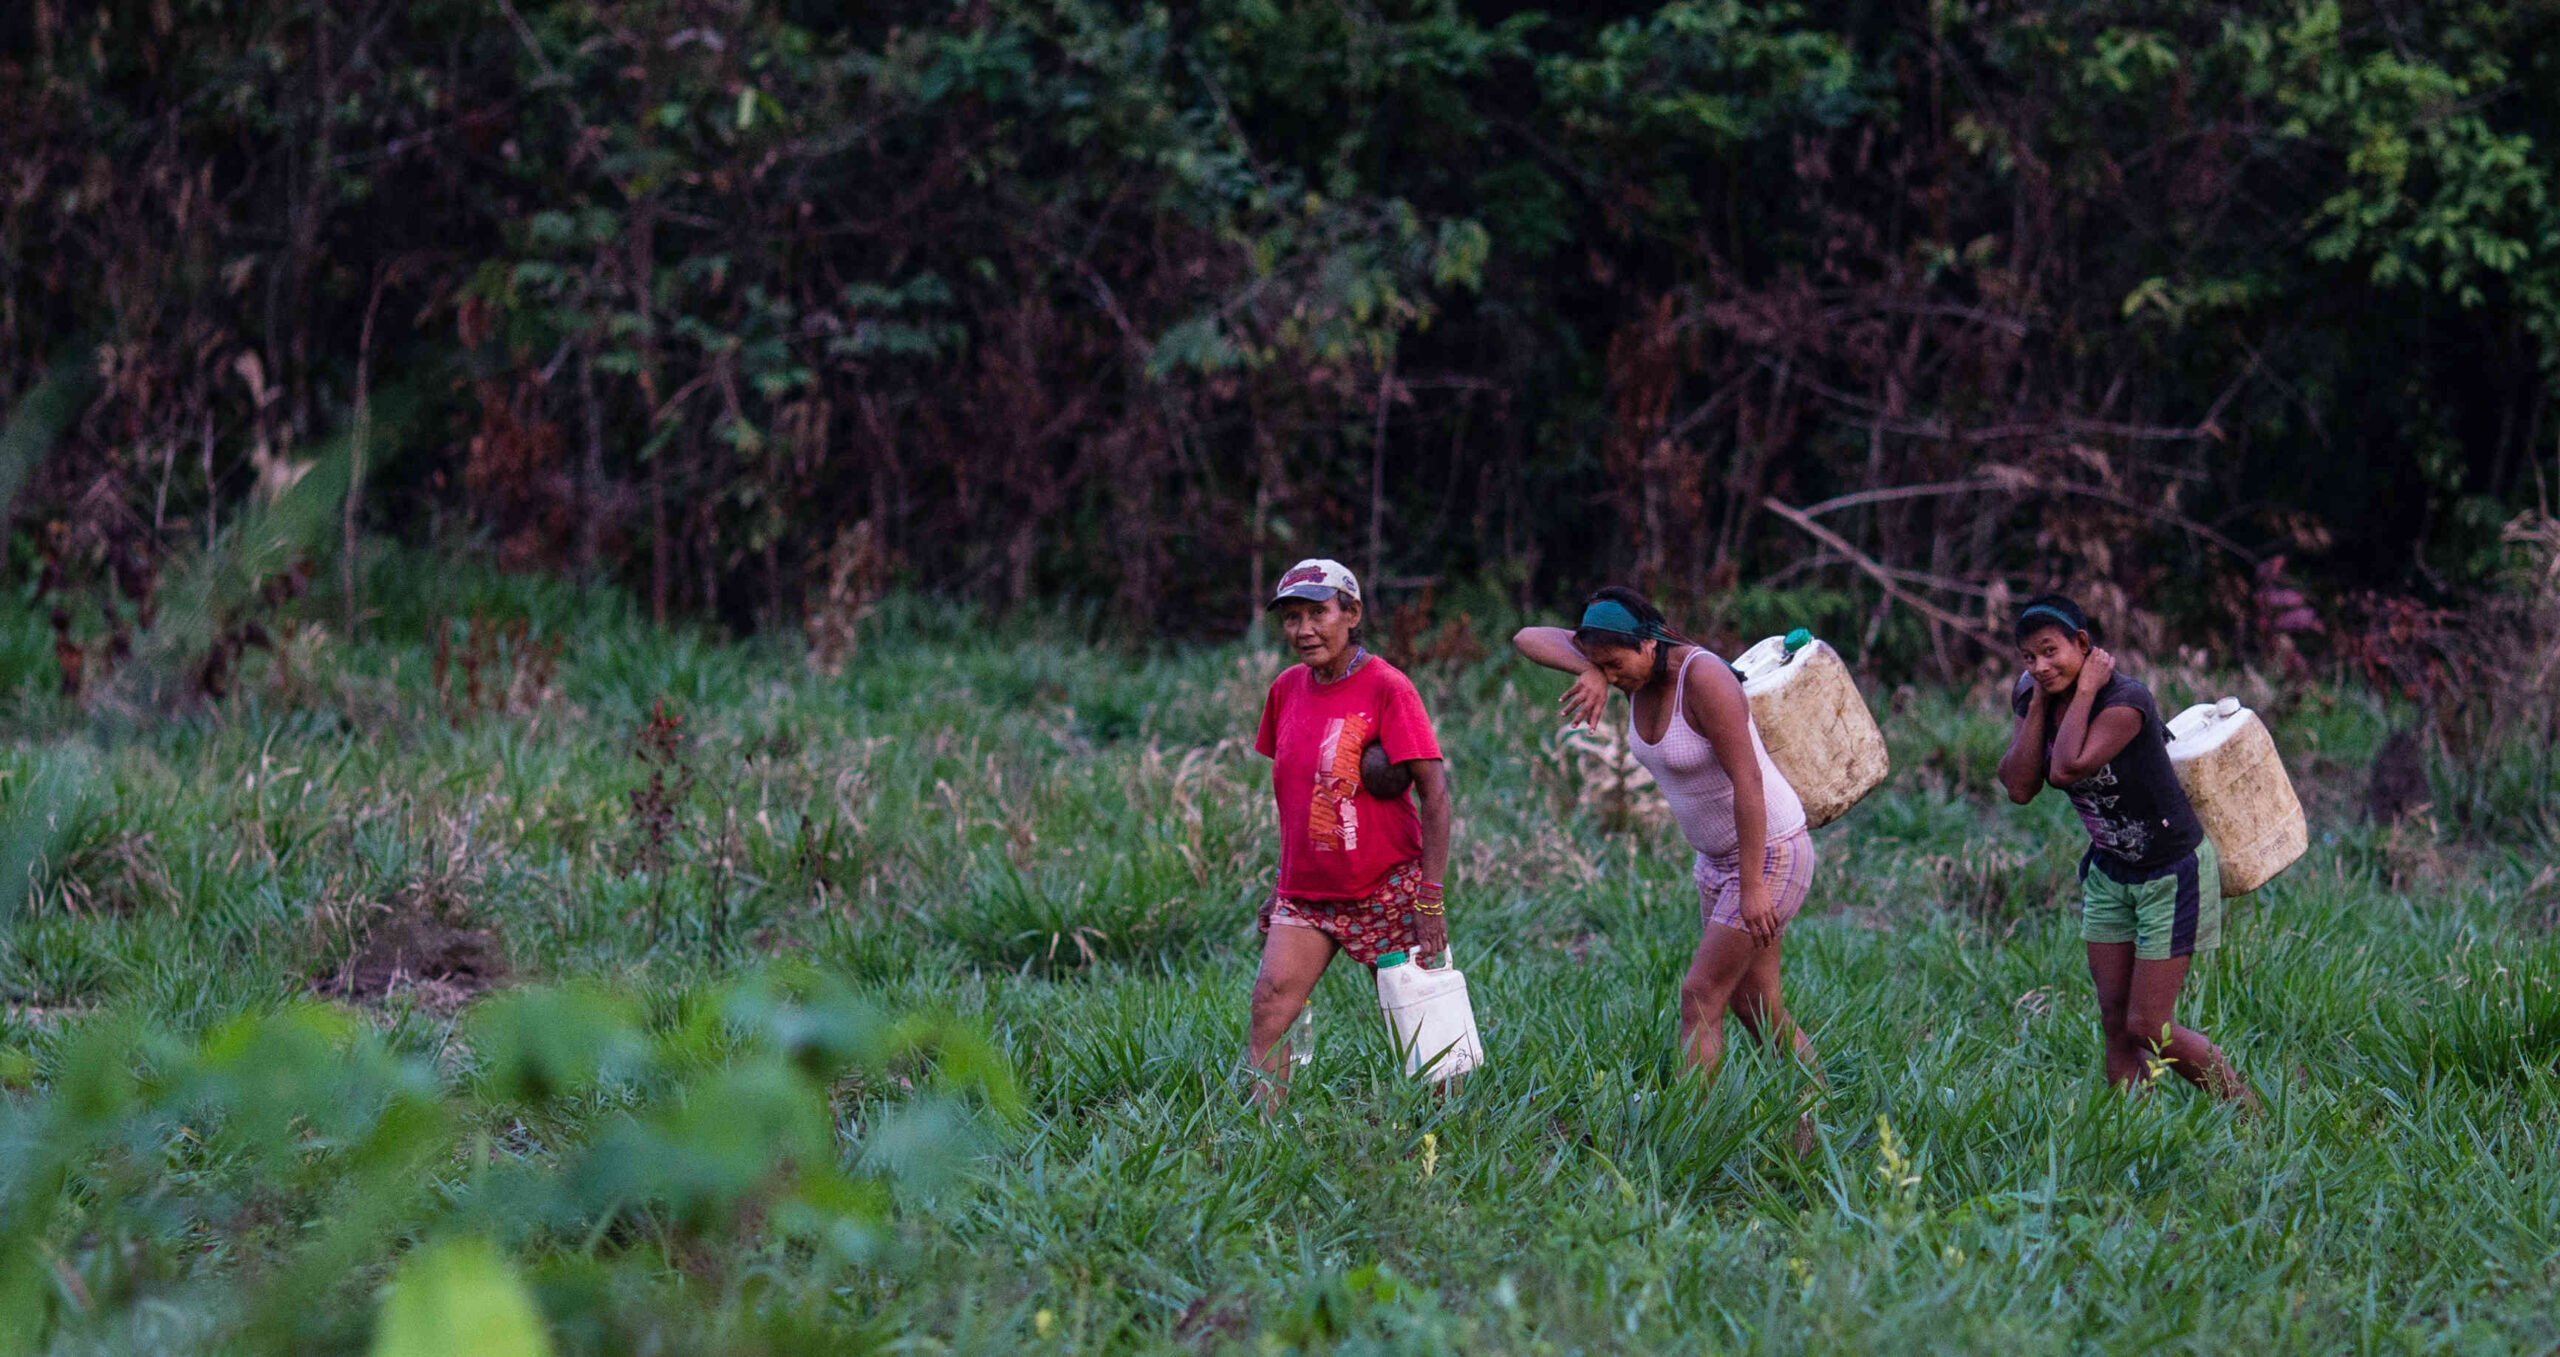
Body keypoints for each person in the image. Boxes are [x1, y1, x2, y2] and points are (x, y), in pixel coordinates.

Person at [1512, 587, 1822, 1093]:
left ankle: (1689, 1139)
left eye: (1615, 666)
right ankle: (1815, 1104)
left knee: (1699, 996)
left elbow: (1749, 780)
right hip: (1716, 859)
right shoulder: (1624, 668)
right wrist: (1588, 669)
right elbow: (1528, 637)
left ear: (1649, 645)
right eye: (1601, 668)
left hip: (1769, 853)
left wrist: (1751, 886)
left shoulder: (1703, 679)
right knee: (1754, 1004)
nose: (1611, 679)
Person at [1995, 593, 2256, 1108]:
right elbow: (2020, 786)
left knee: (2148, 1025)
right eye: (2029, 657)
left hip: (2170, 871)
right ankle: (2130, 1139)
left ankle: (2249, 1111)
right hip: (2110, 872)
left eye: (2051, 651)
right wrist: (2040, 704)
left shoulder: (2126, 703)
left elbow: (2067, 768)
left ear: (2084, 645)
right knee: (2115, 1022)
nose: (2040, 666)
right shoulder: (2035, 697)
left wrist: (2086, 690)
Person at [1247, 558, 1453, 1108]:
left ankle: (1449, 1135)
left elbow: (1435, 794)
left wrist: (1428, 898)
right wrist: (1279, 883)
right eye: (1292, 618)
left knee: (1415, 1016)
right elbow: (1296, 799)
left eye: (1318, 613)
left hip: (1384, 887)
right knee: (1271, 1002)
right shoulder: (1287, 690)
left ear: (1352, 613)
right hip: (1308, 892)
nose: (1304, 630)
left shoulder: (1389, 688)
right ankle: (1263, 1137)